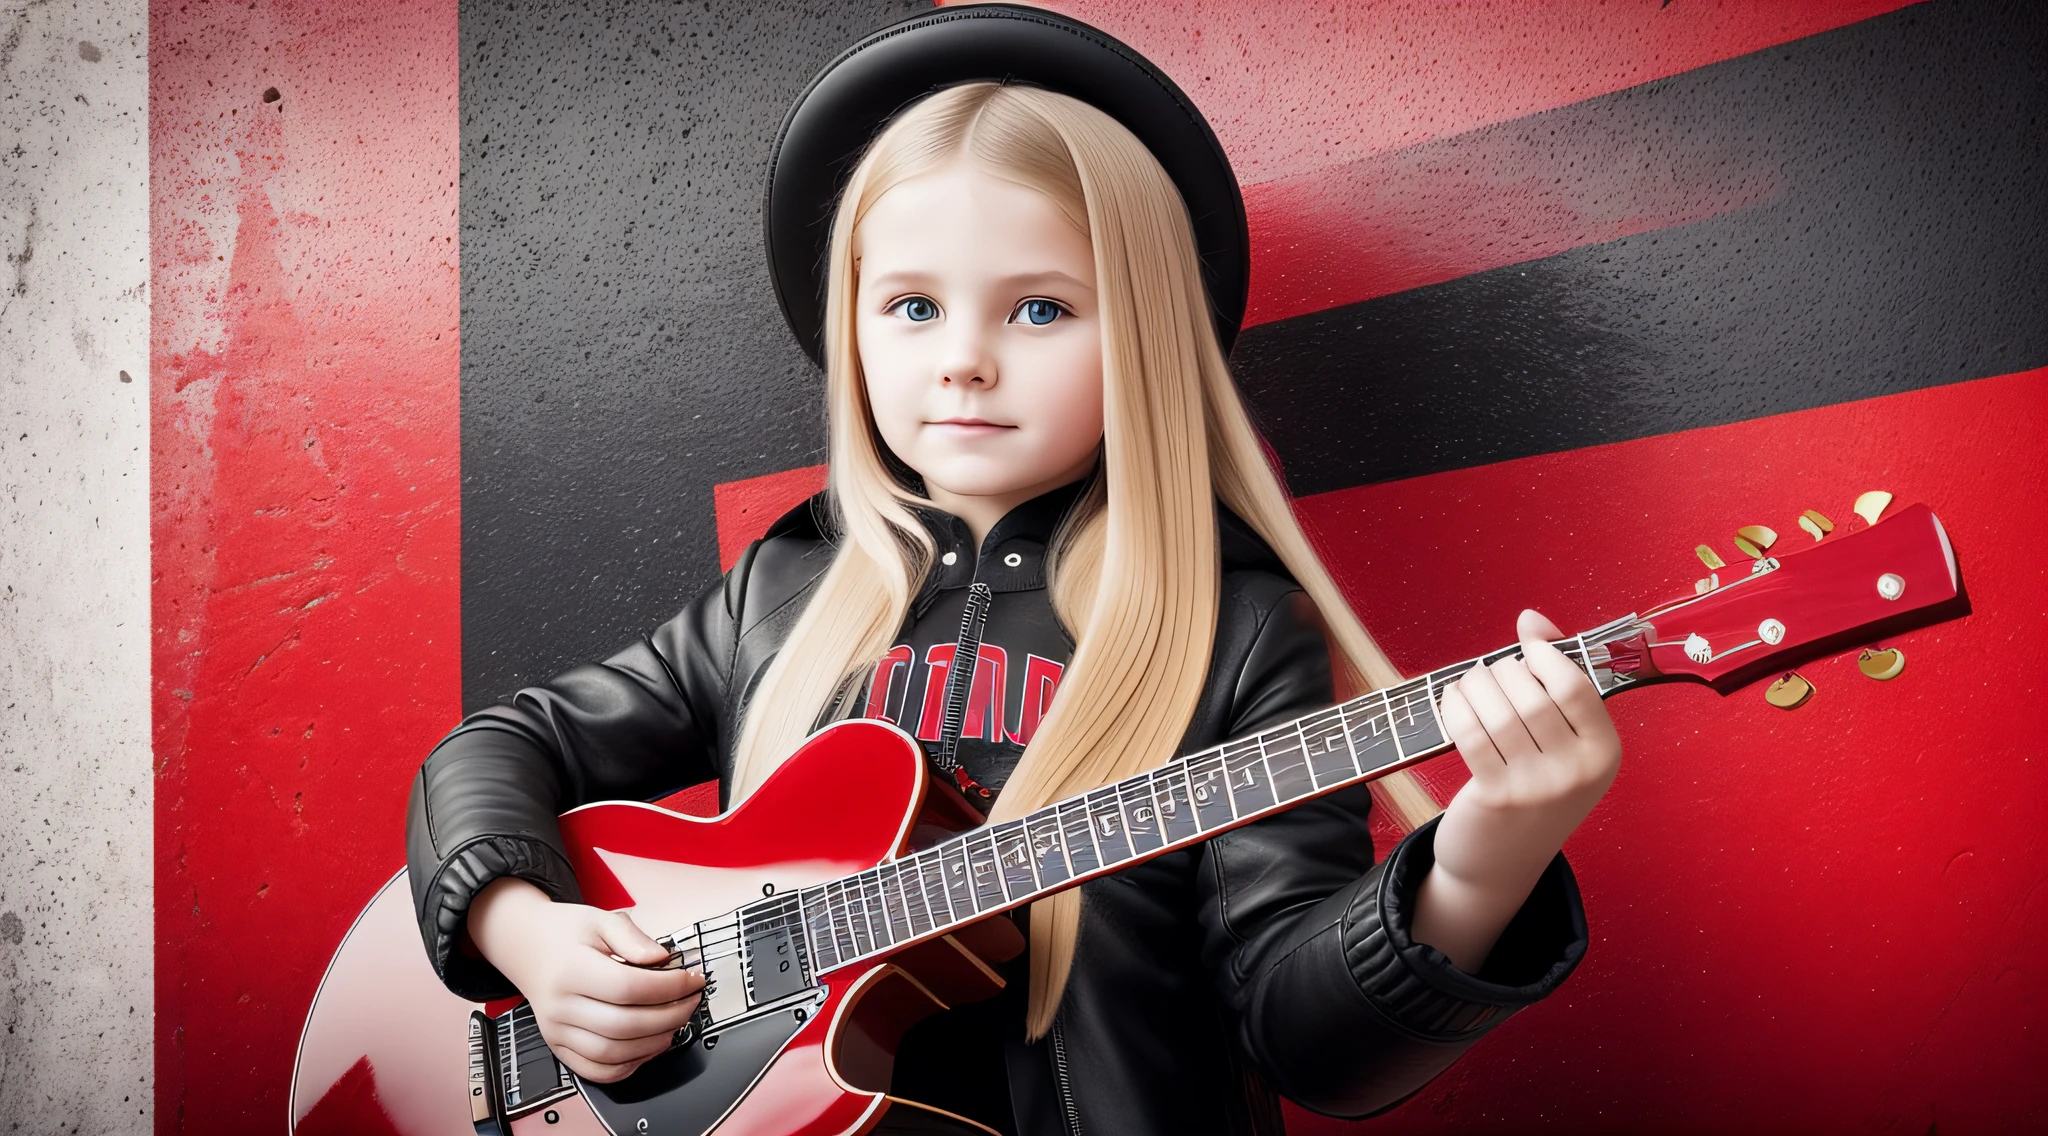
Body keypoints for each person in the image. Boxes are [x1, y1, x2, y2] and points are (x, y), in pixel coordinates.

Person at [407, 8, 1610, 1134]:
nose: (964, 363)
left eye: (1038, 311)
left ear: (1138, 337)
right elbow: (495, 747)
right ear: (850, 327)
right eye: (913, 306)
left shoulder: (1231, 633)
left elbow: (1303, 1044)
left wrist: (1480, 860)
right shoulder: (784, 594)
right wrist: (528, 934)